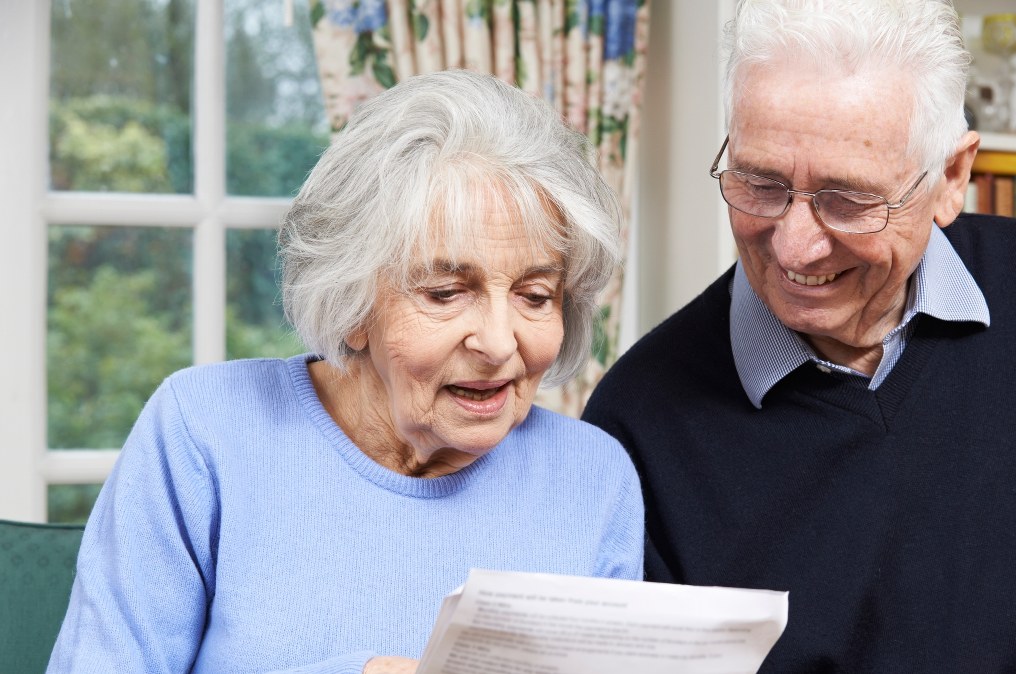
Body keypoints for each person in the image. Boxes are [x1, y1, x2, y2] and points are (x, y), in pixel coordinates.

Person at [582, 0, 1016, 671]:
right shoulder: (637, 418)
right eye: (759, 184)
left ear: (951, 176)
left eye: (847, 200)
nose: (794, 248)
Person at [48, 70, 642, 674]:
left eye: (535, 296)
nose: (497, 341)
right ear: (353, 305)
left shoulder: (594, 477)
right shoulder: (204, 431)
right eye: (444, 292)